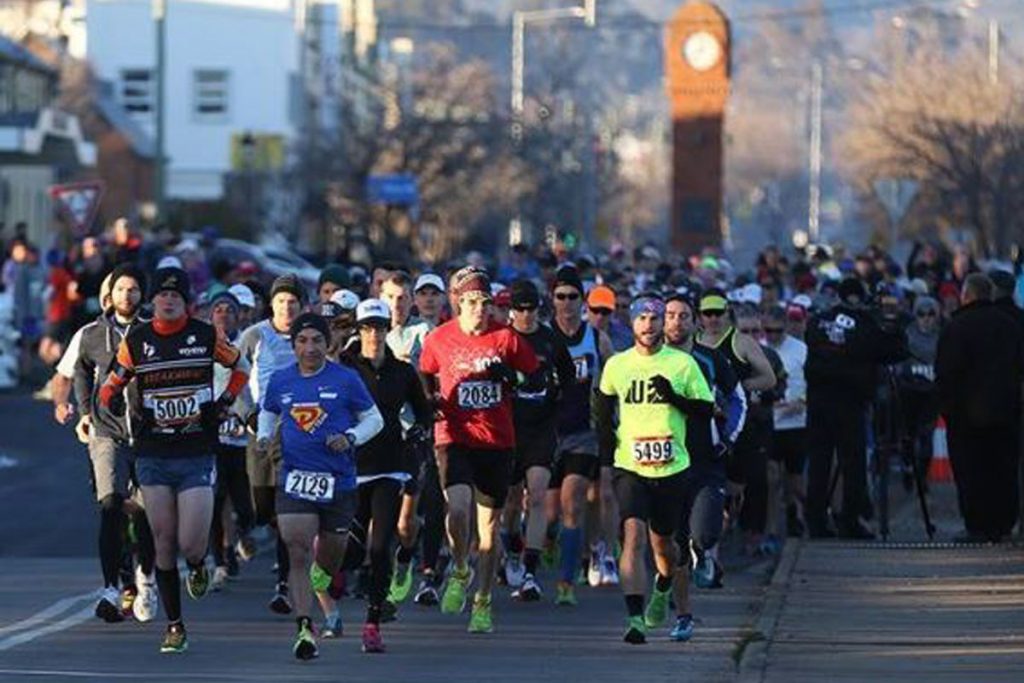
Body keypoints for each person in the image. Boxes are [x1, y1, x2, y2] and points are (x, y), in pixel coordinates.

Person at [97, 266, 250, 653]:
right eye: (162, 296)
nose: (168, 301)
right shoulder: (137, 341)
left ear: (187, 302)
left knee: (192, 544)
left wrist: (225, 401)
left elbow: (240, 368)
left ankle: (198, 566)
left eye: (176, 296)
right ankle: (175, 626)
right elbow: (110, 386)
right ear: (153, 301)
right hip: (153, 453)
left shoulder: (204, 336)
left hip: (196, 451)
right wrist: (111, 399)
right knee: (163, 539)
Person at [419, 266, 538, 633]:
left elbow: (536, 376)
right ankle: (458, 567)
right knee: (457, 508)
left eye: (484, 302)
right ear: (457, 302)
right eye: (471, 301)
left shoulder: (506, 339)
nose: (478, 309)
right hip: (454, 436)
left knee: (489, 531)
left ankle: (483, 600)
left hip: (496, 442)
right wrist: (430, 400)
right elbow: (424, 375)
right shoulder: (438, 339)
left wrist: (512, 378)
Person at [257, 312, 383, 659]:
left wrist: (351, 437)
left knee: (329, 560)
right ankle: (304, 627)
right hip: (295, 478)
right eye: (302, 341)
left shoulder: (345, 379)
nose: (309, 348)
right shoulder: (281, 380)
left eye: (316, 341)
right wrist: (265, 434)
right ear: (293, 345)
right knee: (297, 550)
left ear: (327, 344)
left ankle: (320, 579)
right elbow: (268, 410)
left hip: (338, 482)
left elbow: (375, 419)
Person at [595, 294, 714, 644]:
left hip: (672, 466)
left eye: (655, 319)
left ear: (665, 324)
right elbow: (601, 418)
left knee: (664, 547)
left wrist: (673, 397)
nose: (648, 325)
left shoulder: (682, 364)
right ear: (631, 324)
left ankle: (663, 586)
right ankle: (635, 618)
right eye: (642, 319)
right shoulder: (617, 365)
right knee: (632, 537)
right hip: (629, 465)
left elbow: (706, 411)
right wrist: (605, 465)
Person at [339, 299, 432, 650]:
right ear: (358, 331)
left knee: (380, 548)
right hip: (352, 465)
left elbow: (423, 412)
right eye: (367, 328)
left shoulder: (403, 371)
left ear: (386, 331)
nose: (374, 334)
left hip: (390, 465)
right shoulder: (346, 369)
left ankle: (373, 622)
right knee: (350, 549)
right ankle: (334, 576)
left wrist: (419, 431)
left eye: (379, 328)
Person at [72, 264, 158, 623]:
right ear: (110, 295)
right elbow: (80, 368)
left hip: (150, 432)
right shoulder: (93, 333)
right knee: (109, 505)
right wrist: (84, 411)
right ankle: (110, 587)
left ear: (143, 294)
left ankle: (146, 577)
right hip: (107, 431)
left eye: (134, 289)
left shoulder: (155, 331)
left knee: (144, 512)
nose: (127, 295)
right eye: (121, 289)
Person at [804, 278, 906, 539]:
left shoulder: (817, 321)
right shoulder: (865, 324)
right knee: (853, 464)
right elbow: (894, 352)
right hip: (850, 402)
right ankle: (850, 520)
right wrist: (893, 324)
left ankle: (815, 521)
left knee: (819, 463)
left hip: (818, 400)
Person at [663, 293, 745, 595]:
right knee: (670, 535)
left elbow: (738, 399)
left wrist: (727, 438)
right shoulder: (645, 360)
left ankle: (704, 553)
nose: (676, 321)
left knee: (703, 532)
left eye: (683, 315)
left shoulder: (710, 360)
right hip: (663, 460)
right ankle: (672, 587)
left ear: (694, 321)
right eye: (670, 315)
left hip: (704, 459)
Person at [937, 274, 1023, 542]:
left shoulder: (956, 327)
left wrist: (945, 407)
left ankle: (977, 525)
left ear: (967, 295)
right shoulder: (1010, 326)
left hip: (966, 415)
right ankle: (1002, 524)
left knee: (971, 470)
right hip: (1005, 411)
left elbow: (946, 372)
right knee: (1003, 470)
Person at [236, 274, 304, 613]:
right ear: (271, 305)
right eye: (281, 301)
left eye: (292, 302)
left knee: (286, 505)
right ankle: (270, 528)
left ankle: (283, 586)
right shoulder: (254, 336)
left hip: (299, 432)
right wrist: (246, 414)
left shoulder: (308, 337)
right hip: (260, 430)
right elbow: (230, 377)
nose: (286, 307)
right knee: (262, 506)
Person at [504, 279, 575, 601]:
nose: (526, 315)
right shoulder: (501, 341)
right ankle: (510, 545)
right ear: (511, 310)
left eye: (531, 308)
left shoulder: (550, 340)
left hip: (541, 429)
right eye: (520, 309)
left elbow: (569, 378)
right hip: (506, 429)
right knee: (509, 502)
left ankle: (530, 573)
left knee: (536, 497)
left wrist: (558, 409)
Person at [549, 265, 617, 603]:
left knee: (573, 502)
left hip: (583, 433)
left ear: (582, 300)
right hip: (546, 434)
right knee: (547, 514)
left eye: (573, 297)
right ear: (553, 300)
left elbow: (615, 377)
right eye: (560, 296)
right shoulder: (544, 336)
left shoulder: (596, 338)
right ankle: (548, 546)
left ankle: (566, 582)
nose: (567, 303)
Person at [378, 270, 434, 607]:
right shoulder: (370, 334)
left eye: (402, 298)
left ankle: (405, 557)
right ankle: (377, 575)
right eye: (390, 298)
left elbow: (433, 380)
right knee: (378, 514)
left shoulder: (423, 333)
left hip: (412, 433)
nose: (396, 305)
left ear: (411, 301)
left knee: (404, 520)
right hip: (379, 435)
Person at [207, 290, 257, 589]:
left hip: (242, 436)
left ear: (240, 315)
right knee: (214, 501)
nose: (223, 314)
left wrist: (245, 416)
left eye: (229, 310)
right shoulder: (201, 344)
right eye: (218, 309)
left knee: (245, 503)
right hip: (212, 436)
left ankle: (243, 531)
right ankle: (221, 562)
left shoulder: (247, 342)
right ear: (210, 314)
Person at [764, 307, 809, 538]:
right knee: (771, 476)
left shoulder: (800, 350)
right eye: (767, 330)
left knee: (795, 480)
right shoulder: (759, 348)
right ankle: (771, 527)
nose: (771, 335)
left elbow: (812, 381)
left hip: (795, 422)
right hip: (770, 422)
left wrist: (802, 401)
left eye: (777, 331)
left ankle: (796, 512)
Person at [587, 284, 632, 352]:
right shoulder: (574, 334)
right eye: (595, 310)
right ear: (587, 308)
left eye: (605, 311)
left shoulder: (626, 337)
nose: (600, 316)